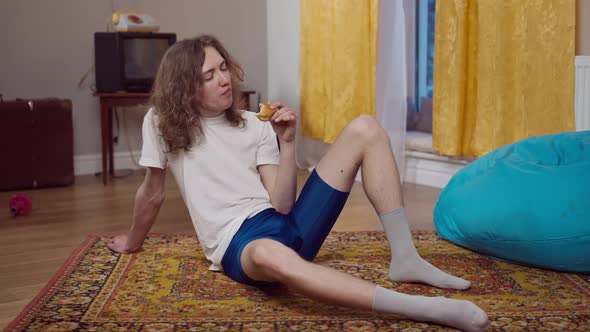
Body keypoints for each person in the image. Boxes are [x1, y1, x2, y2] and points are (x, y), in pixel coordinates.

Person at [108, 35, 489, 332]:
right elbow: (152, 192)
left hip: (286, 223)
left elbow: (284, 203)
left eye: (223, 67)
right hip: (241, 242)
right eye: (209, 75)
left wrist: (287, 142)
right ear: (186, 87)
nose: (224, 79)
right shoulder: (162, 123)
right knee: (272, 255)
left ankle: (405, 258)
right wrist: (133, 240)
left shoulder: (252, 124)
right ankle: (427, 310)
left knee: (366, 128)